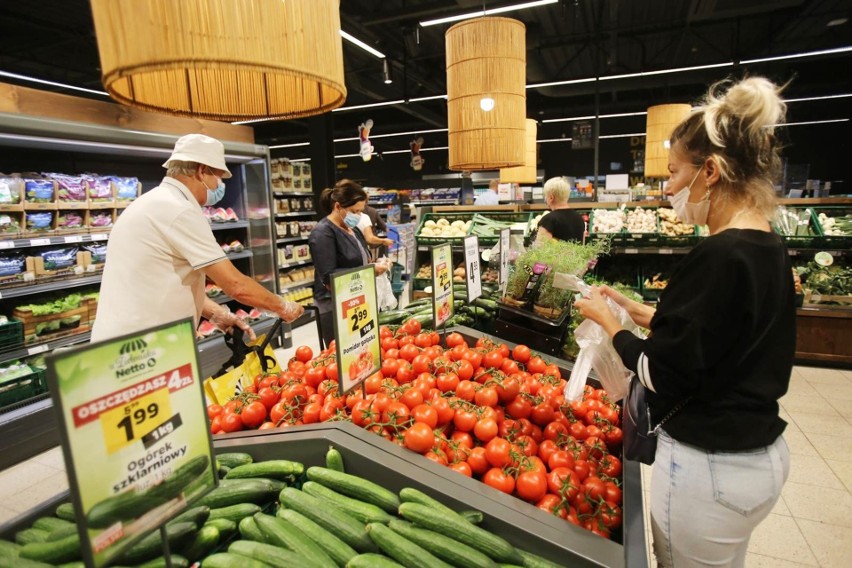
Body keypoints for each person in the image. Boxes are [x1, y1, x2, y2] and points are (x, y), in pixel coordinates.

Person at [574, 77, 794, 568]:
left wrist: (612, 325)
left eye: (673, 174)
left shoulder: (718, 254)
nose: (667, 189)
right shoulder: (768, 247)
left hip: (711, 468)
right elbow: (728, 337)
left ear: (710, 172)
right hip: (761, 455)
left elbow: (660, 374)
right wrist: (645, 312)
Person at [91, 134, 303, 342]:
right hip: (145, 348)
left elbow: (161, 278)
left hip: (122, 342)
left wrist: (215, 313)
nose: (220, 185)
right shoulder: (179, 210)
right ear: (202, 171)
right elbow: (236, 285)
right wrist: (282, 306)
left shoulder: (150, 202)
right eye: (218, 176)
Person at [309, 179, 389, 347]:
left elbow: (358, 260)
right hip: (334, 306)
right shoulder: (323, 233)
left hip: (356, 300)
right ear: (338, 207)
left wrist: (375, 263)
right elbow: (328, 277)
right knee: (342, 355)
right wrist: (369, 271)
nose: (358, 216)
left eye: (361, 211)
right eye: (354, 211)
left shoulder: (353, 229)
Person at [534, 176, 586, 244]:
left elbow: (541, 250)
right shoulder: (579, 218)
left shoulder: (548, 220)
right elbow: (583, 246)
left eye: (545, 196)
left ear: (551, 198)